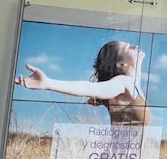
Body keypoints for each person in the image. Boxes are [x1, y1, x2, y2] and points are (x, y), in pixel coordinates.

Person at [14, 40, 151, 126]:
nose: (135, 46)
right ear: (121, 64)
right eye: (128, 47)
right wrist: (48, 83)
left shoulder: (133, 83)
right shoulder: (123, 82)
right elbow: (91, 88)